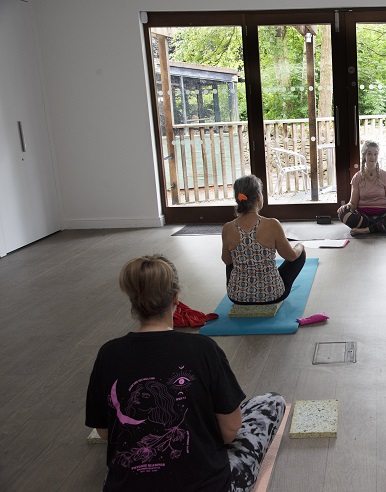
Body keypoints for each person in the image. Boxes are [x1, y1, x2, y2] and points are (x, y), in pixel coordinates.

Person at [86, 255, 286, 491]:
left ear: (133, 300)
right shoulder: (203, 349)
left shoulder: (108, 354)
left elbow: (105, 432)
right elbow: (230, 431)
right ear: (176, 298)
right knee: (270, 402)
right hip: (210, 485)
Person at [222, 175, 305, 304]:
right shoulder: (272, 224)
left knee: (231, 260)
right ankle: (269, 283)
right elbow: (291, 257)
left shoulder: (227, 228)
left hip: (237, 297)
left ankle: (241, 288)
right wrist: (300, 246)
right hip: (273, 295)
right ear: (259, 197)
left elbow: (226, 260)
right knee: (300, 254)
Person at [336, 140, 386, 236]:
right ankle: (383, 227)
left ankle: (366, 230)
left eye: (375, 154)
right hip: (363, 217)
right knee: (342, 213)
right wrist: (346, 207)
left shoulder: (385, 175)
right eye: (369, 154)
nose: (373, 157)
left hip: (383, 215)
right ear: (364, 156)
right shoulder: (357, 177)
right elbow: (353, 203)